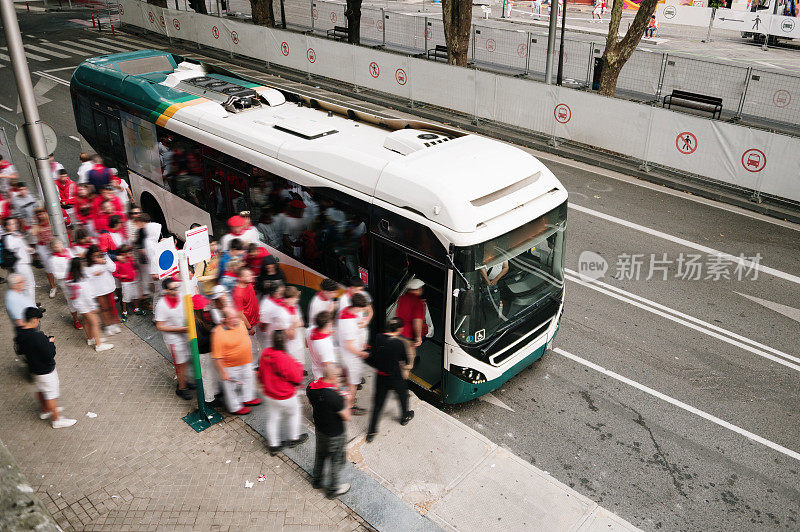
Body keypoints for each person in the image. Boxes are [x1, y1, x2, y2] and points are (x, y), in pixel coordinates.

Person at [17, 307, 77, 428]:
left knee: (41, 389)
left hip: (34, 370)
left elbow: (20, 351)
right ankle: (56, 419)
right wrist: (51, 343)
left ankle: (44, 410)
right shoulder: (38, 337)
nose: (39, 321)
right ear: (34, 320)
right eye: (38, 319)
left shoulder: (21, 334)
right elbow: (50, 354)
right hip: (45, 371)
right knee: (51, 394)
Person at [258, 330, 307, 456]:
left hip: (269, 394)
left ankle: (274, 446)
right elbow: (297, 377)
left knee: (273, 418)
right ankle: (294, 438)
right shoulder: (284, 358)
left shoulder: (265, 353)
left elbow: (261, 373)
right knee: (294, 413)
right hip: (286, 395)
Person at [307, 364, 352, 499]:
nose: (339, 379)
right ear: (332, 377)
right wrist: (348, 402)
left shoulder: (311, 387)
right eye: (338, 376)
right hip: (335, 434)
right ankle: (333, 490)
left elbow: (311, 402)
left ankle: (317, 480)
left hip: (320, 430)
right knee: (336, 460)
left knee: (320, 455)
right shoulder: (334, 397)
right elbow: (347, 416)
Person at [366, 317, 414, 442]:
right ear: (399, 329)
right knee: (403, 395)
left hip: (380, 376)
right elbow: (405, 361)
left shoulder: (378, 337)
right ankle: (405, 417)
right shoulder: (399, 344)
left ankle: (371, 432)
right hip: (395, 377)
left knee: (378, 404)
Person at [212, 307, 260, 414]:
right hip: (230, 366)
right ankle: (235, 407)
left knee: (248, 379)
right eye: (232, 318)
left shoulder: (240, 323)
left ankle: (247, 398)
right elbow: (217, 357)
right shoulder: (218, 333)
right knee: (231, 388)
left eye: (235, 316)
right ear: (224, 319)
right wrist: (223, 372)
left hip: (246, 361)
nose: (236, 319)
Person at [154, 278, 192, 399]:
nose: (176, 291)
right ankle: (181, 387)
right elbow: (159, 325)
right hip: (173, 340)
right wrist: (180, 329)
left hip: (185, 334)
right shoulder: (161, 305)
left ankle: (184, 381)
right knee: (180, 364)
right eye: (173, 289)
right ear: (166, 291)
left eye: (177, 288)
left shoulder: (181, 296)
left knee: (186, 361)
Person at [67, 258, 111, 351]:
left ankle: (91, 339)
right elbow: (87, 296)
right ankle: (99, 345)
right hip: (85, 305)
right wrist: (93, 307)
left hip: (79, 304)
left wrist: (93, 274)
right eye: (82, 264)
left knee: (86, 321)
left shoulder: (71, 278)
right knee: (95, 322)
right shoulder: (82, 282)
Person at [336, 292, 370, 415]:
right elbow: (349, 346)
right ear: (356, 307)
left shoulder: (345, 311)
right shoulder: (349, 323)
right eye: (361, 309)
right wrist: (362, 353)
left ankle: (345, 400)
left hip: (346, 355)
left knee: (347, 380)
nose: (363, 311)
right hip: (352, 357)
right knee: (353, 384)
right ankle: (350, 406)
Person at [192, 294, 221, 407]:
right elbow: (200, 340)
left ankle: (214, 393)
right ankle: (209, 399)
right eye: (204, 305)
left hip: (209, 351)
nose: (207, 306)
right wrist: (213, 334)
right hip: (203, 353)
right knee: (207, 376)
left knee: (212, 374)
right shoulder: (195, 322)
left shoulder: (203, 317)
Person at [86, 245, 120, 336]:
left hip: (108, 287)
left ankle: (113, 324)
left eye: (98, 255)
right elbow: (86, 277)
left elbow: (113, 268)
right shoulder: (88, 264)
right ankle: (108, 325)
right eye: (94, 256)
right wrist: (93, 274)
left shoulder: (105, 258)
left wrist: (104, 262)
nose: (97, 258)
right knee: (104, 308)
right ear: (90, 256)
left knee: (111, 307)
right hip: (98, 290)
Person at [49, 239, 82, 330]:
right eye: (56, 246)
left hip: (76, 278)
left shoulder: (68, 251)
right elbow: (56, 274)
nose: (59, 247)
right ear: (53, 248)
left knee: (81, 297)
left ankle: (84, 314)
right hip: (66, 282)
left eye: (60, 244)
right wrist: (69, 273)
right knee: (71, 301)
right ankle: (76, 320)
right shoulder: (53, 259)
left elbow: (75, 261)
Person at [3, 217, 36, 302]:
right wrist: (18, 238)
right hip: (20, 264)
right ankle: (31, 305)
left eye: (14, 223)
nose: (14, 225)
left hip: (24, 262)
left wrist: (29, 249)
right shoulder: (8, 237)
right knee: (29, 285)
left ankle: (30, 304)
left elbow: (23, 247)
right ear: (6, 226)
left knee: (27, 285)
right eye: (11, 224)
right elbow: (11, 247)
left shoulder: (15, 234)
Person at [31, 208, 57, 298]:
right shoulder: (36, 224)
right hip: (43, 247)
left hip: (53, 245)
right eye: (38, 214)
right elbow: (33, 233)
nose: (41, 216)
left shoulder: (51, 220)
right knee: (48, 267)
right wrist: (35, 221)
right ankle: (53, 287)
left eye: (42, 213)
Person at [395, 278, 428, 349]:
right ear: (419, 289)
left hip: (397, 331)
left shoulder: (402, 298)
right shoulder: (418, 302)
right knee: (408, 356)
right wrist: (418, 337)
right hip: (408, 335)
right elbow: (417, 321)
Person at [113, 245, 143, 321]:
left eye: (129, 252)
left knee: (135, 296)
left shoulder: (130, 259)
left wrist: (135, 270)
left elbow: (135, 266)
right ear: (121, 253)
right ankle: (124, 312)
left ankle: (136, 309)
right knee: (125, 298)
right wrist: (122, 276)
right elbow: (115, 274)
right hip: (125, 283)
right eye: (126, 253)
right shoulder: (117, 263)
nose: (128, 254)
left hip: (134, 281)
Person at [308, 310, 336, 380]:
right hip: (324, 377)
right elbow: (328, 366)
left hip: (316, 369)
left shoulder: (309, 330)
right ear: (328, 324)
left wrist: (328, 333)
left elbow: (306, 344)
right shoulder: (324, 344)